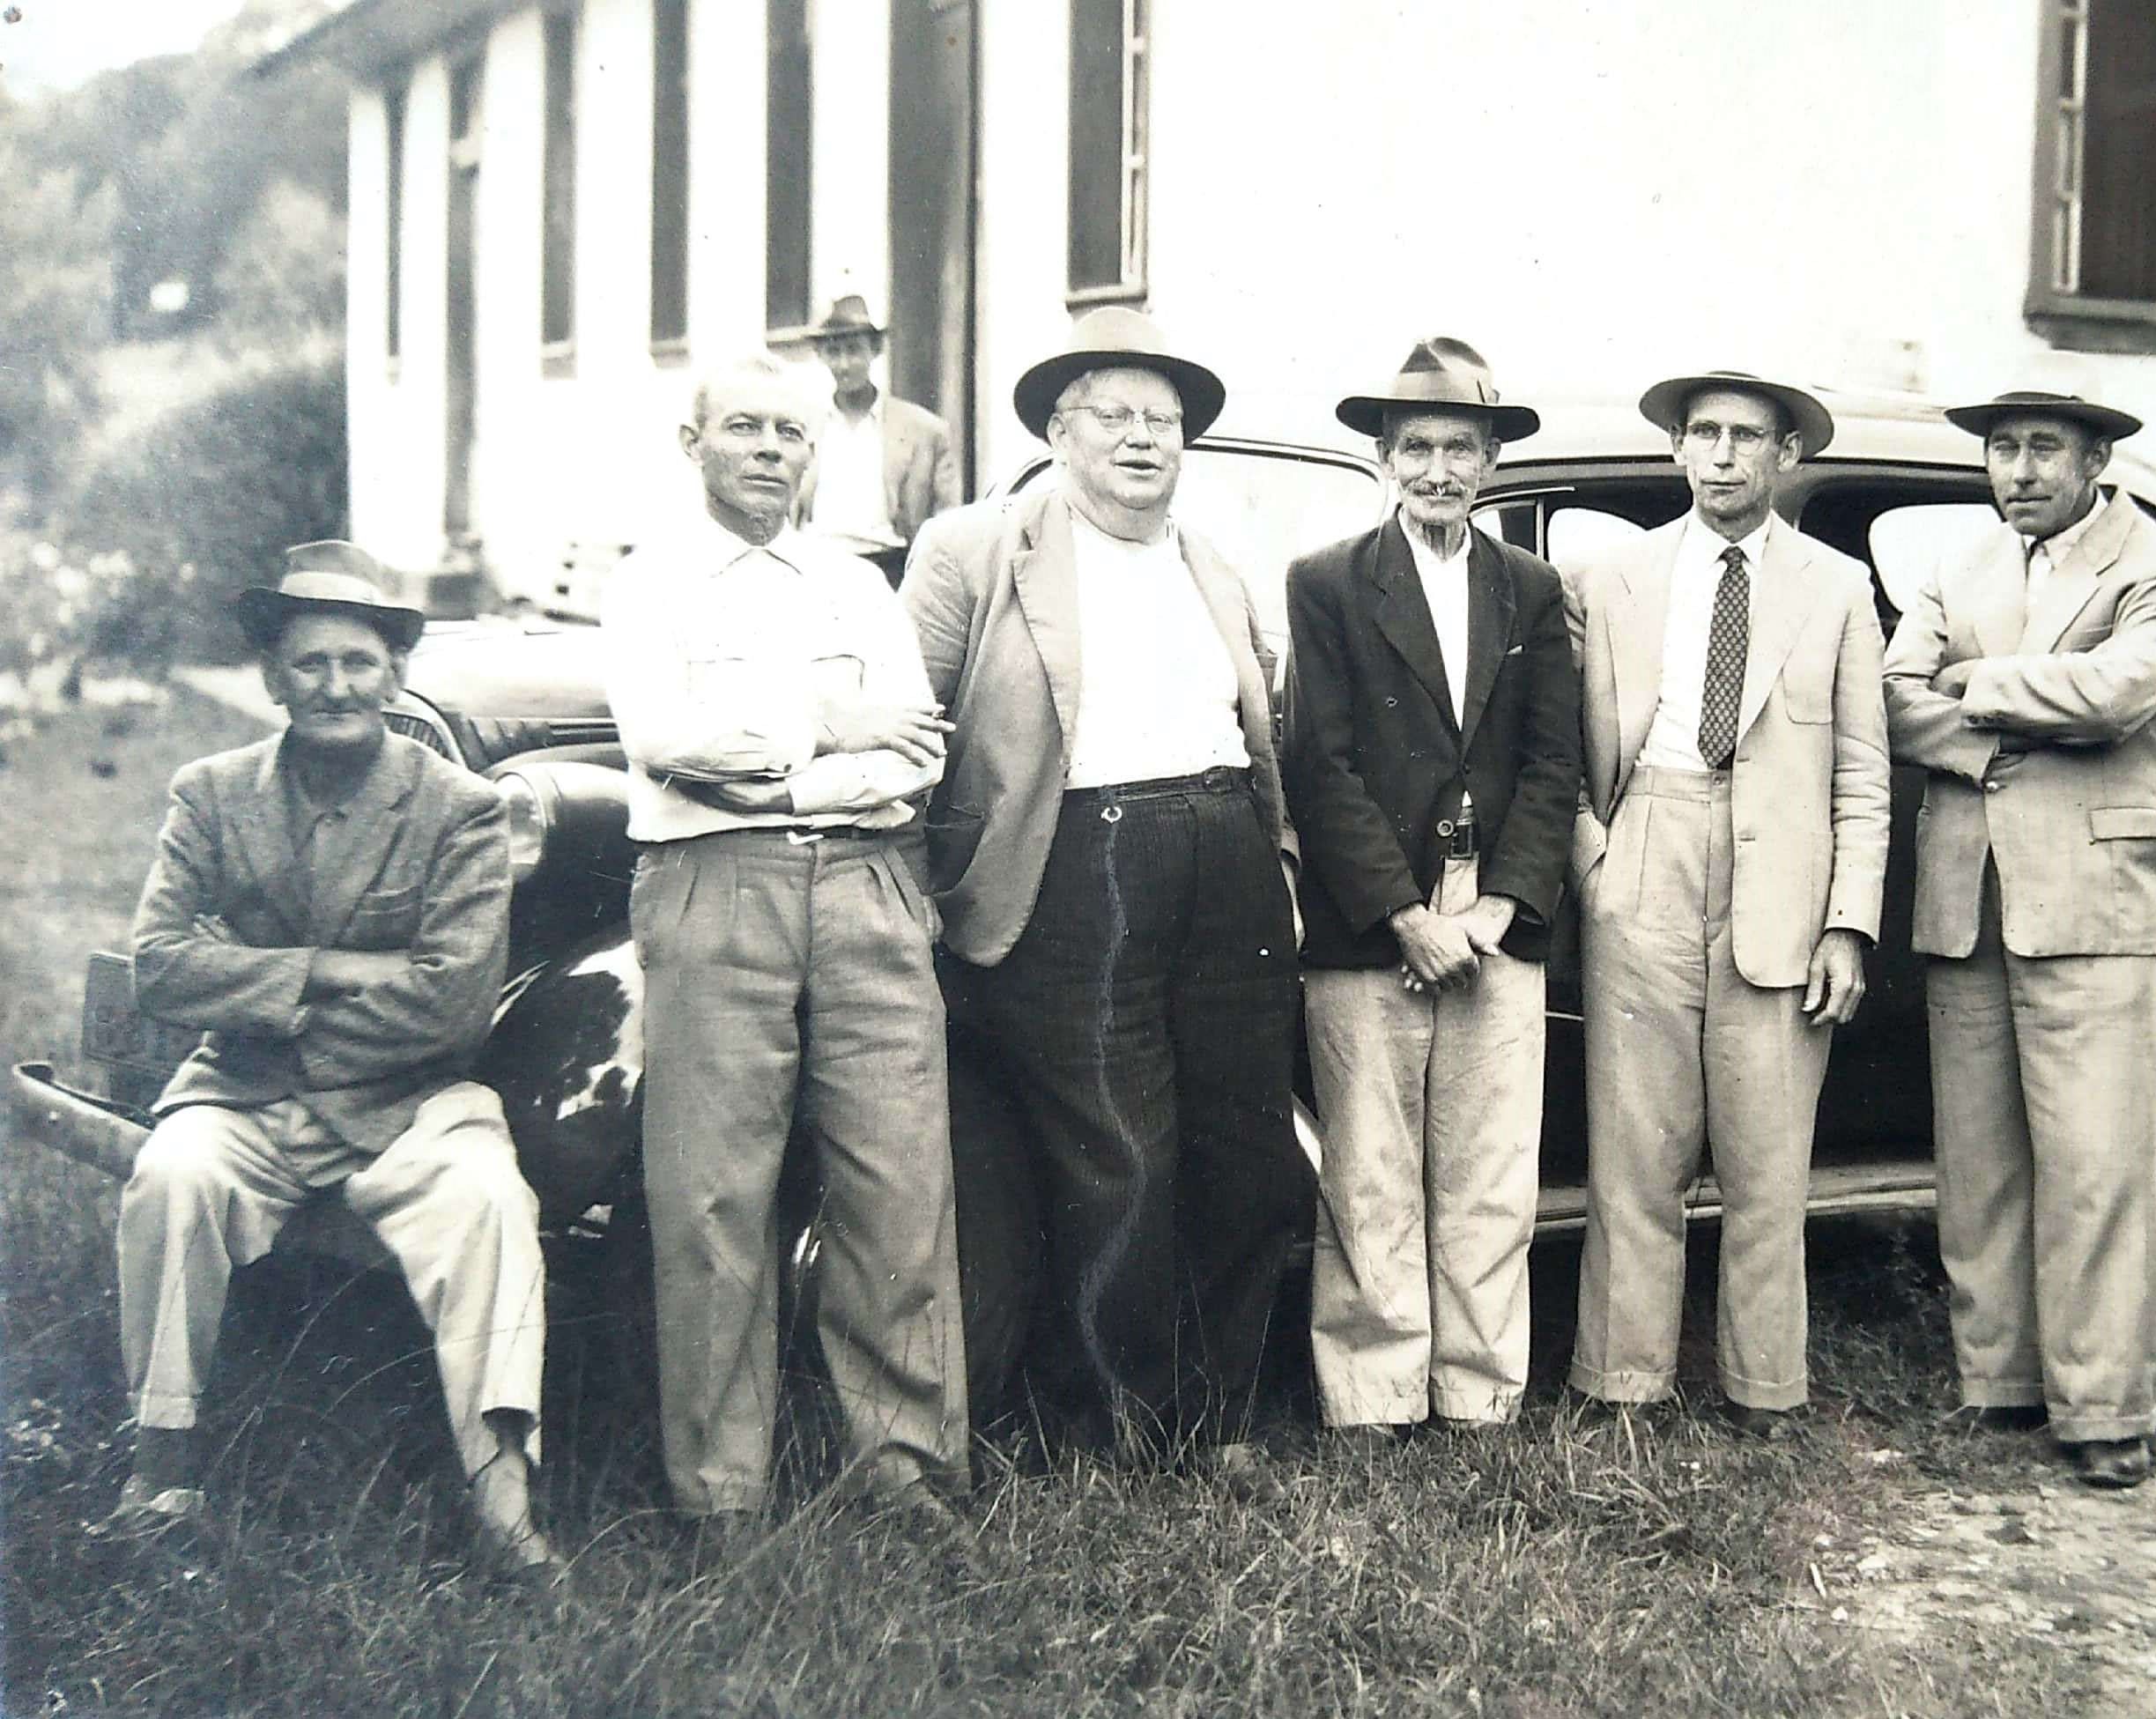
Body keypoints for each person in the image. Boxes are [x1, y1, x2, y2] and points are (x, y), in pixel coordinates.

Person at [905, 307, 1309, 1468]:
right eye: (1114, 415)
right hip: (1079, 866)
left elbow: (1257, 726)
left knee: (1251, 1154)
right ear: (1059, 431)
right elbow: (908, 726)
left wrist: (1273, 866)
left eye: (1163, 420)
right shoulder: (974, 550)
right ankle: (1108, 1428)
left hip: (1224, 851)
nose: (1143, 439)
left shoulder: (1208, 558)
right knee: (1121, 1156)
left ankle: (1216, 1414)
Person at [109, 543, 553, 1575]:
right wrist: (334, 968)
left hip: (414, 1105)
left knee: (489, 1204)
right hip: (246, 1099)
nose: (336, 686)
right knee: (173, 1175)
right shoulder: (210, 793)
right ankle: (160, 1467)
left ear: (394, 676)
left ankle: (505, 1504)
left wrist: (265, 990)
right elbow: (161, 966)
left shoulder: (461, 808)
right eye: (310, 664)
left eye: (358, 662)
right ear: (273, 678)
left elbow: (449, 1006)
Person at [602, 351, 967, 1542]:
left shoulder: (859, 583)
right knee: (713, 1190)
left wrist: (783, 749)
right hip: (717, 886)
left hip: (869, 882)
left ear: (817, 452)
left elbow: (915, 751)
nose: (770, 449)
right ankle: (721, 1492)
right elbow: (667, 741)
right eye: (745, 427)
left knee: (897, 1175)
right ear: (692, 443)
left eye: (792, 433)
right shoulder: (648, 583)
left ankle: (904, 1462)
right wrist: (827, 720)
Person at [1883, 383, 2156, 1492]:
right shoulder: (1953, 566)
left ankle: (2107, 1409)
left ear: (2096, 456)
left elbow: (2121, 693)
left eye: (2043, 449)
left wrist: (1976, 686)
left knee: (2101, 1162)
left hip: (2098, 899)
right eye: (2003, 450)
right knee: (1980, 1162)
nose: (2018, 469)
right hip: (1968, 894)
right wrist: (2001, 732)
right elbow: (1891, 698)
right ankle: (2000, 1382)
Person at [1567, 368, 1890, 1438]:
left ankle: (1762, 1388)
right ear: (1674, 450)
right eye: (1700, 432)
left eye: (1745, 436)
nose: (1719, 454)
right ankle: (1622, 1380)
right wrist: (1598, 867)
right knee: (1634, 1145)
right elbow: (1562, 755)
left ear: (1785, 456)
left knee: (1765, 1158)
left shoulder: (1837, 588)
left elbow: (1861, 775)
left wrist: (1846, 919)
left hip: (1782, 885)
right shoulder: (1608, 578)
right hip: (1645, 854)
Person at [1283, 337, 1580, 1441]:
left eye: (1462, 446)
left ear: (1493, 461)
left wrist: (1498, 907)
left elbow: (1554, 762)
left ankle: (1480, 1391)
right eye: (1417, 448)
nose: (1440, 469)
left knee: (1491, 1169)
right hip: (1373, 933)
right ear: (1381, 458)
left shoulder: (1533, 589)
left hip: (1496, 929)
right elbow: (1322, 764)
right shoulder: (1324, 583)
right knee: (1366, 1172)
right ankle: (1373, 1396)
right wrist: (1405, 914)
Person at [796, 294, 960, 588]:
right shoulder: (803, 426)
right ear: (821, 355)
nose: (844, 365)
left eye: (854, 351)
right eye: (833, 352)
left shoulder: (924, 429)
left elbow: (947, 520)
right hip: (816, 569)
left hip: (890, 570)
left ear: (875, 350)